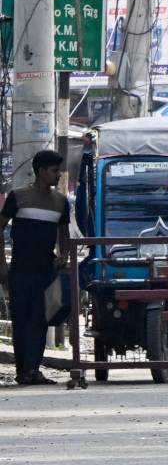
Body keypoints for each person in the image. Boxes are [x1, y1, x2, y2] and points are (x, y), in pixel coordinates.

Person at [0, 150, 70, 386]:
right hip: (20, 270)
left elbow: (64, 233)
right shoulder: (18, 197)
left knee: (41, 320)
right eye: (54, 170)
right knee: (21, 321)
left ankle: (33, 369)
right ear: (41, 171)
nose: (58, 175)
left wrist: (64, 255)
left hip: (46, 272)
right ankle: (24, 371)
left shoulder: (61, 202)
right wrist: (2, 267)